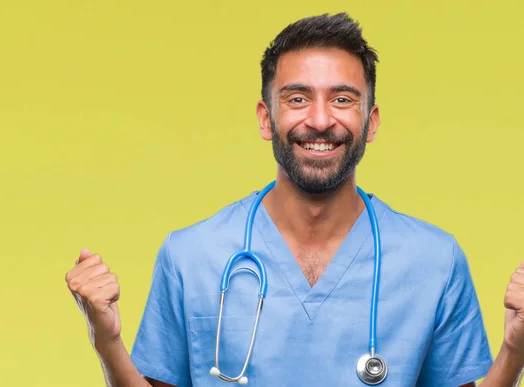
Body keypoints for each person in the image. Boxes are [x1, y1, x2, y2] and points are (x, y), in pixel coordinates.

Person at [65, 12, 524, 386]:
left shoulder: (434, 261)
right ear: (267, 119)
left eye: (343, 99)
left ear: (372, 121)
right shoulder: (191, 257)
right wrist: (107, 342)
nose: (320, 120)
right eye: (298, 98)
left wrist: (515, 351)